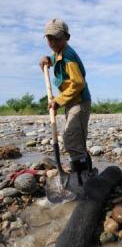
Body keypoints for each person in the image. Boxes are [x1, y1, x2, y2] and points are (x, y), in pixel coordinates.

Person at [40, 18, 92, 184]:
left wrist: (58, 100)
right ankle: (84, 171)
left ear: (66, 37)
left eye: (57, 38)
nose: (53, 42)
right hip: (71, 101)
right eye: (49, 38)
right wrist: (47, 59)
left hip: (79, 102)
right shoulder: (58, 53)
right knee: (75, 138)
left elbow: (78, 83)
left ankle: (82, 178)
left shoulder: (69, 57)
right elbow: (54, 59)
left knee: (71, 135)